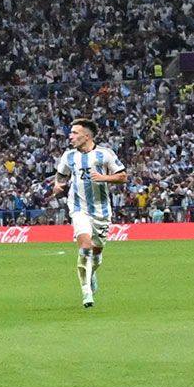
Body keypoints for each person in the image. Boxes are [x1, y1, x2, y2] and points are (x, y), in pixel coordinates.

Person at [54, 119, 126, 309]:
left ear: (87, 136)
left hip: (101, 211)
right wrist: (57, 186)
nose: (71, 136)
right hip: (78, 208)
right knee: (85, 245)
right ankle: (86, 291)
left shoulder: (104, 154)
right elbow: (61, 176)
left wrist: (104, 178)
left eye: (75, 133)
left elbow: (122, 176)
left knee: (97, 251)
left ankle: (91, 273)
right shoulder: (68, 156)